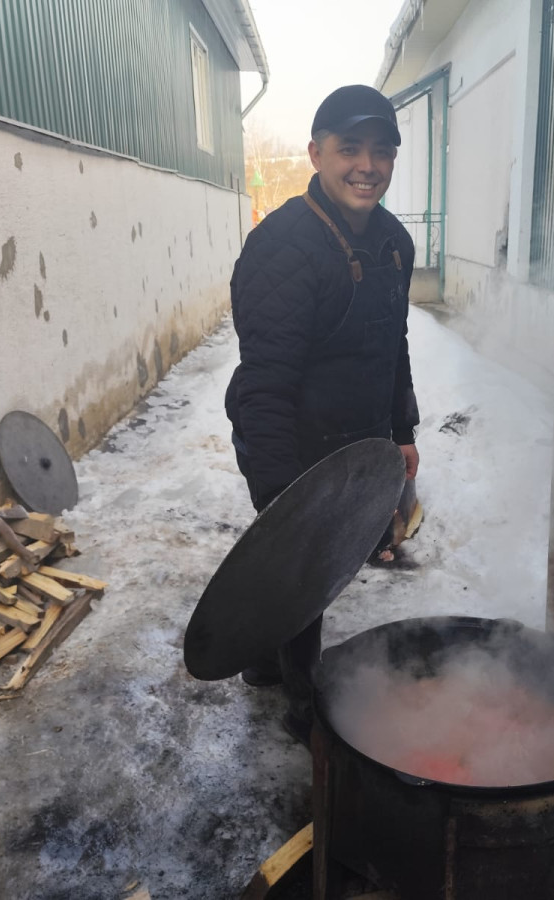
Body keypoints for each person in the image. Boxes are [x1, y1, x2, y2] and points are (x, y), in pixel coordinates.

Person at [224, 85, 420, 745]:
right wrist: (283, 499)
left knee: (318, 564)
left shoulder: (393, 243)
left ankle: (258, 655)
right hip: (284, 434)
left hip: (352, 437)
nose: (368, 165)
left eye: (382, 151)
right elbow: (266, 384)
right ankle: (308, 710)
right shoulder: (282, 248)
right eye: (349, 148)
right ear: (316, 153)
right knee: (301, 572)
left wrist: (402, 434)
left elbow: (393, 346)